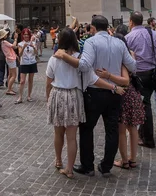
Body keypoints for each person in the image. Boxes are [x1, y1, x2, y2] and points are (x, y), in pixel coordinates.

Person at [54, 14, 136, 177]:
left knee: (86, 129)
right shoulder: (119, 43)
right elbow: (133, 66)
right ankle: (106, 166)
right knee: (112, 129)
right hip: (114, 92)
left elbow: (84, 66)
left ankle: (87, 165)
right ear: (107, 27)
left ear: (92, 28)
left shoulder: (91, 42)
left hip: (94, 92)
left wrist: (64, 55)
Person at [125, 11, 156, 149]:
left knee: (145, 105)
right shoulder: (154, 34)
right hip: (153, 74)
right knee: (145, 102)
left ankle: (147, 138)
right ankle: (142, 133)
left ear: (131, 22)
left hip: (139, 76)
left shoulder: (129, 37)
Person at [110, 25, 145, 169]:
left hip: (123, 93)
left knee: (121, 130)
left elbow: (124, 79)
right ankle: (133, 158)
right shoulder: (131, 54)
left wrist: (108, 76)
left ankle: (124, 160)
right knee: (133, 127)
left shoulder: (119, 58)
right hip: (134, 93)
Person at [15, 28, 38, 104]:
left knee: (30, 80)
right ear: (22, 35)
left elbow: (36, 53)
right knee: (22, 81)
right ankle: (20, 97)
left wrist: (33, 47)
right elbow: (20, 54)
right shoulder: (20, 44)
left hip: (32, 62)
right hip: (24, 63)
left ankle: (29, 96)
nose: (26, 36)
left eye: (27, 34)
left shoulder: (33, 43)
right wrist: (23, 47)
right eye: (24, 34)